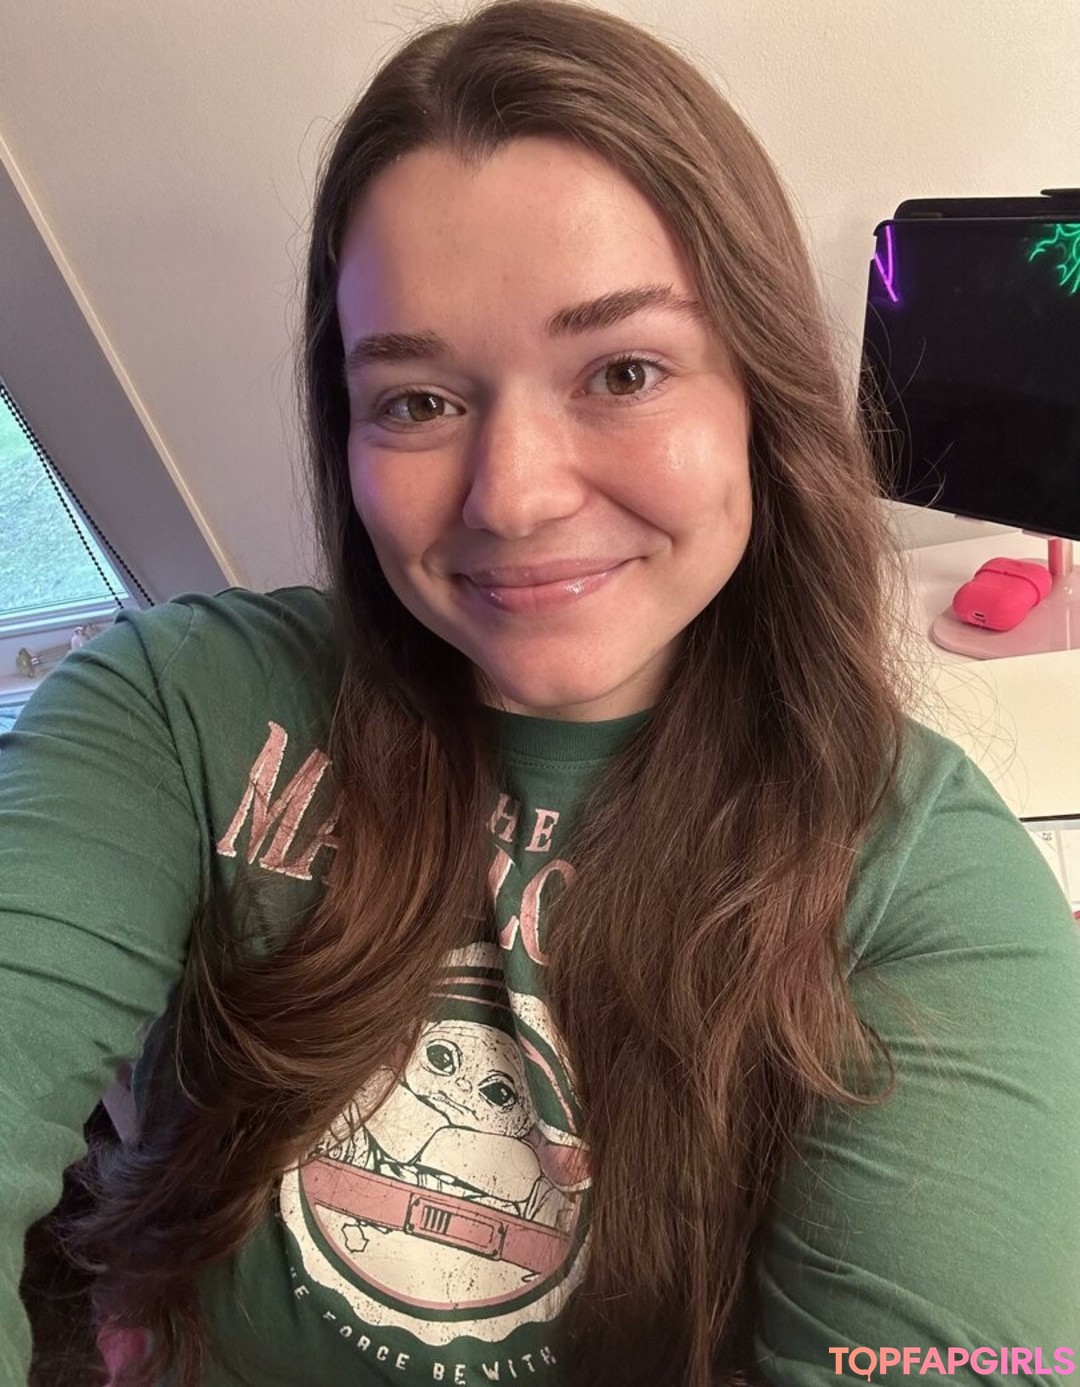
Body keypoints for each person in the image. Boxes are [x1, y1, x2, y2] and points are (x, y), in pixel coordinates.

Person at [2, 1, 1078, 1383]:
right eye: (417, 401)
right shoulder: (175, 710)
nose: (511, 497)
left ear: (760, 395)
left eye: (624, 372)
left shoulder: (923, 880)